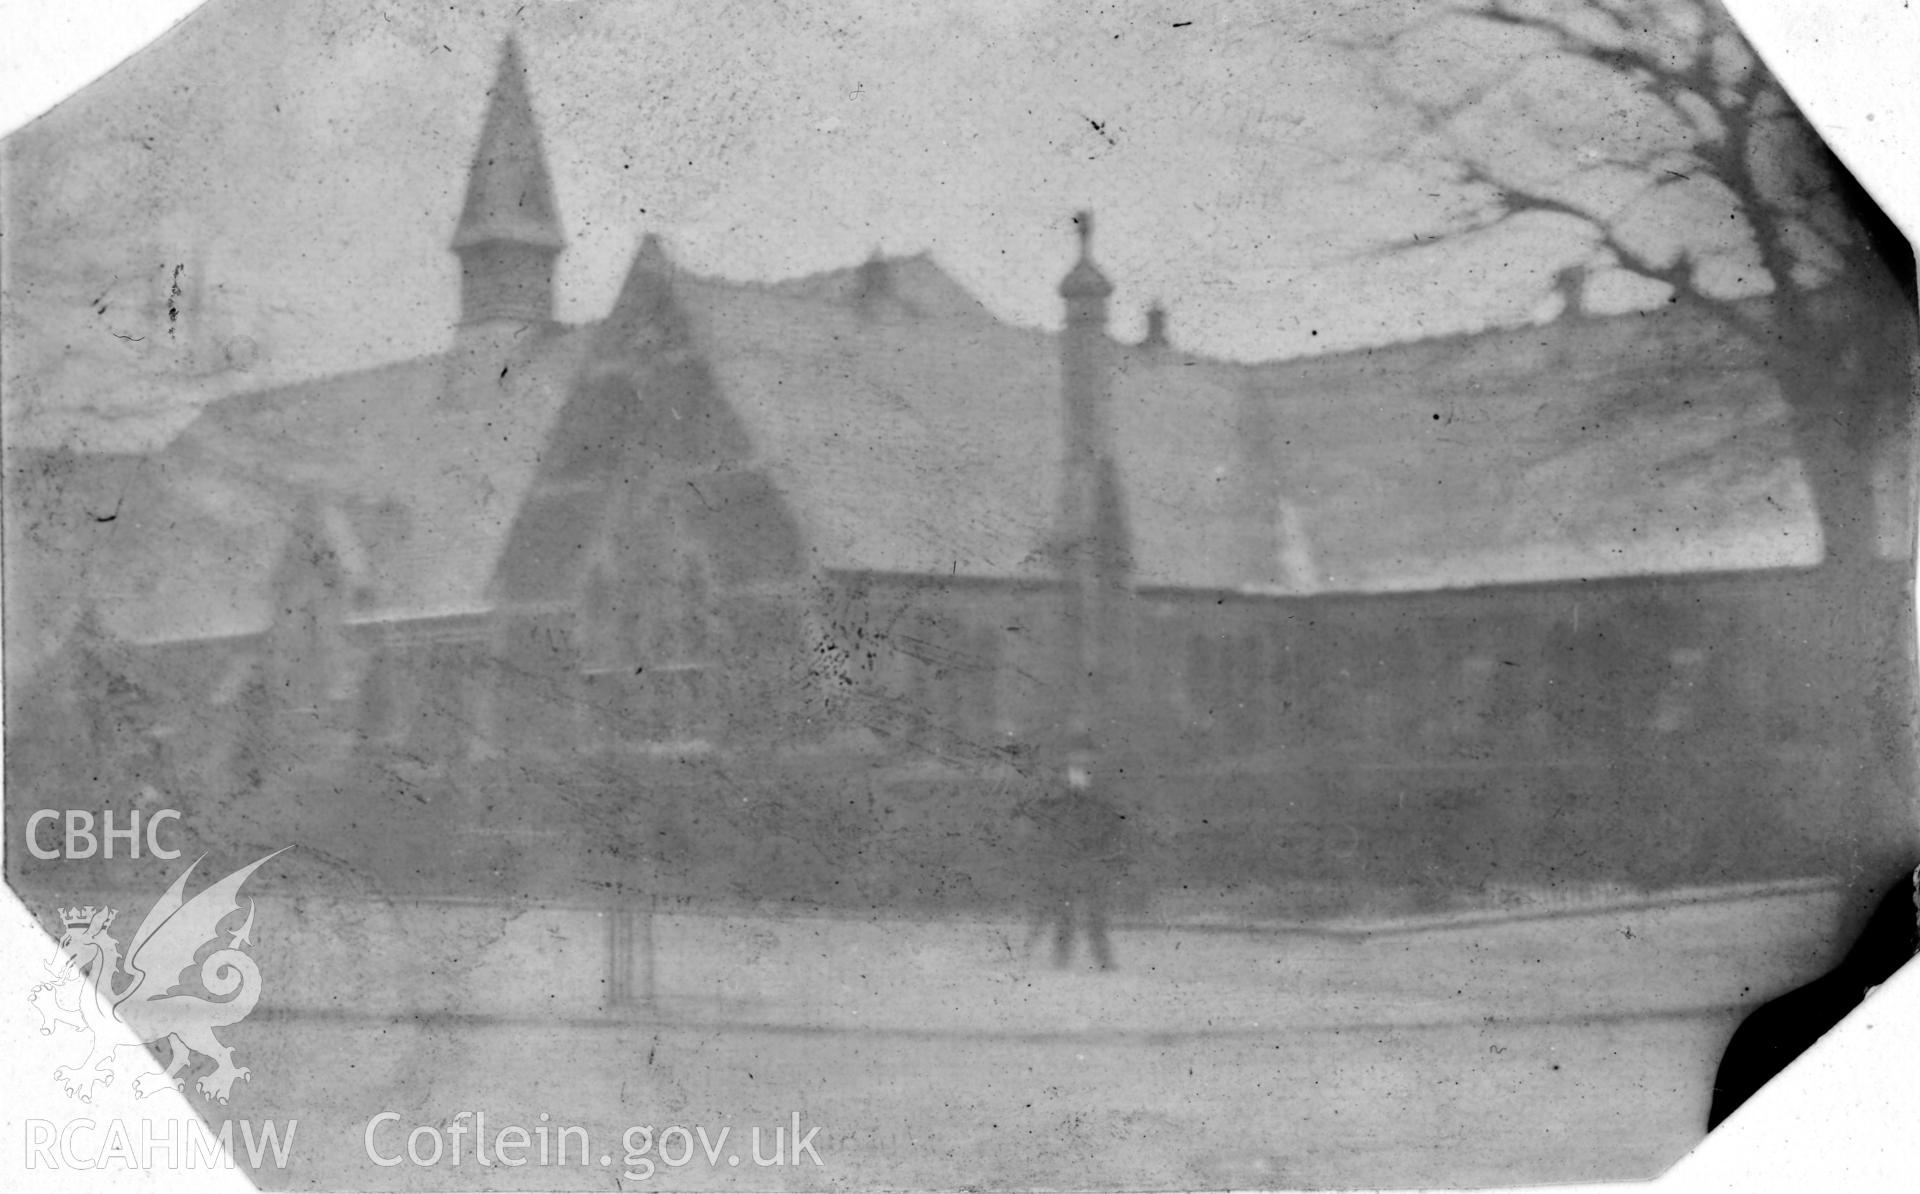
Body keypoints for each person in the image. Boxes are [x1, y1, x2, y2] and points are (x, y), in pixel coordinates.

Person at [1019, 747, 1127, 970]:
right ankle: (1065, 959)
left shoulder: (1097, 802)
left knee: (1090, 918)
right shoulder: (1066, 803)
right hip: (1071, 865)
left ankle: (1099, 960)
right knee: (1065, 916)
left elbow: (1110, 828)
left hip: (1087, 865)